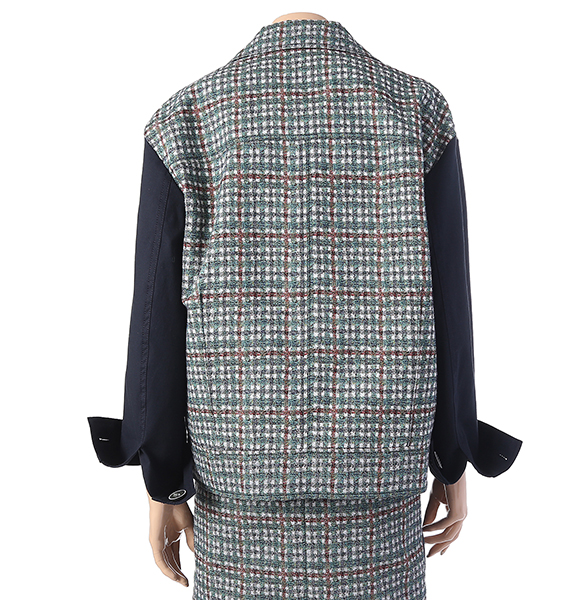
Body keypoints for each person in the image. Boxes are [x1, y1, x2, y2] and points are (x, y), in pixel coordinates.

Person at [88, 12, 523, 598]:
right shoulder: (418, 111)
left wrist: (162, 481)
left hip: (238, 485)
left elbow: (156, 322)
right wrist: (452, 457)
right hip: (380, 481)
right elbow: (450, 298)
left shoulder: (187, 119)